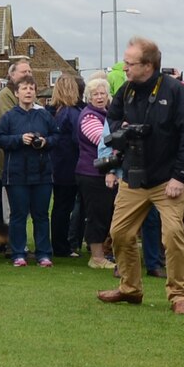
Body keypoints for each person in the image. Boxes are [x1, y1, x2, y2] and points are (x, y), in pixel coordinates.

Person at [95, 35, 184, 317]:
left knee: (173, 235)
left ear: (148, 65)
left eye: (130, 63)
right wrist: (123, 127)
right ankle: (130, 289)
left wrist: (181, 176)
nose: (125, 68)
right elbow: (113, 117)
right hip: (133, 175)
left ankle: (179, 295)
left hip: (168, 179)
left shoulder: (175, 91)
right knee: (119, 233)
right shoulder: (127, 90)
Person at [0, 78, 56, 267]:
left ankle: (44, 253)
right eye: (24, 88)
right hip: (16, 174)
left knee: (41, 215)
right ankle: (18, 253)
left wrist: (46, 142)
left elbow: (58, 136)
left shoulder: (44, 115)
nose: (28, 92)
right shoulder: (9, 116)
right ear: (16, 93)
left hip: (42, 173)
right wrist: (19, 139)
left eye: (31, 88)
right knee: (18, 215)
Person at [76, 75, 119, 271]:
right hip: (92, 173)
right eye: (95, 94)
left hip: (106, 173)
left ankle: (105, 252)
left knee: (107, 214)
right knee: (97, 215)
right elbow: (103, 140)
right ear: (88, 97)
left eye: (103, 93)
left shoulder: (107, 114)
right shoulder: (89, 116)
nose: (100, 97)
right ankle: (96, 257)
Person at [47, 75, 85, 260]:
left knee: (60, 207)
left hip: (57, 164)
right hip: (69, 165)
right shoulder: (72, 112)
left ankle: (59, 244)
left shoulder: (57, 111)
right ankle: (62, 246)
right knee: (64, 206)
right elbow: (79, 139)